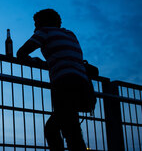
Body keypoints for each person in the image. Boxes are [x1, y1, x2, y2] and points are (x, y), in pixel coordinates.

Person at [17, 9, 93, 151]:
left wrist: (37, 62)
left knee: (56, 129)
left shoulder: (44, 32)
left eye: (36, 23)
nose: (35, 27)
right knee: (71, 128)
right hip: (83, 85)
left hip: (64, 83)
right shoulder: (70, 34)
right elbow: (65, 57)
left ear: (42, 22)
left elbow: (21, 53)